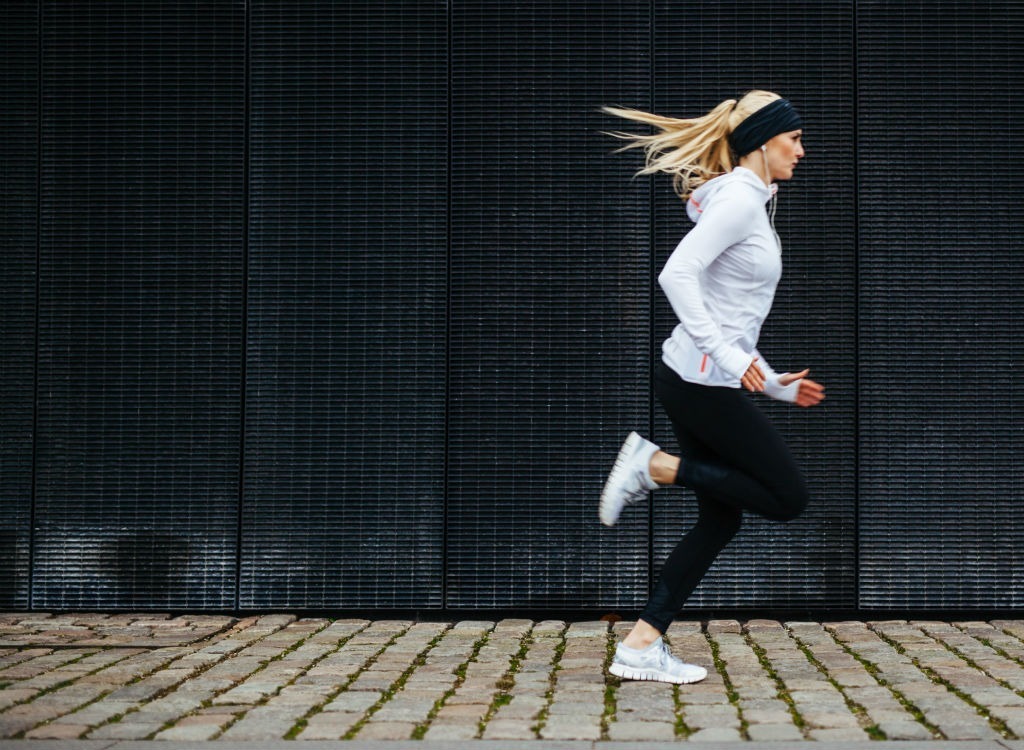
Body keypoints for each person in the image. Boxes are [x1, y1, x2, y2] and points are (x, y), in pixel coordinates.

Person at [599, 91, 826, 684]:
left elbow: (731, 312)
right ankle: (656, 467)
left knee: (721, 520)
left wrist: (773, 384)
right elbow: (676, 274)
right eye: (795, 139)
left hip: (695, 378)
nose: (802, 151)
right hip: (700, 382)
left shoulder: (750, 200)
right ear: (764, 140)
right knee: (787, 497)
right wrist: (726, 354)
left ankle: (641, 646)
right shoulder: (740, 203)